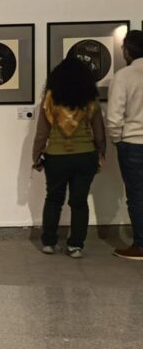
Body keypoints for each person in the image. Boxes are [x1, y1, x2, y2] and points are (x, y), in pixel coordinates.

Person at [32, 57, 106, 258]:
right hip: (85, 156)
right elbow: (99, 132)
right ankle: (75, 246)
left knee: (53, 199)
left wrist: (36, 156)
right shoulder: (90, 100)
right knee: (79, 201)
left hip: (56, 157)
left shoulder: (49, 100)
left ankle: (49, 243)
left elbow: (42, 133)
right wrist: (101, 152)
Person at [107, 30, 143, 260]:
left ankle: (140, 245)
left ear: (128, 50)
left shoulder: (124, 75)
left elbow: (114, 117)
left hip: (133, 143)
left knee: (137, 195)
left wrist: (117, 140)